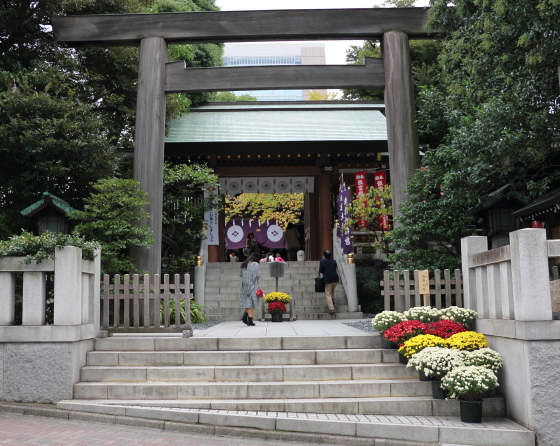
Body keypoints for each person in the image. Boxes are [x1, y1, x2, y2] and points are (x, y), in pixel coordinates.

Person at [239, 253, 261, 326]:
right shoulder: (256, 264)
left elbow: (240, 275)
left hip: (245, 286)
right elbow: (258, 275)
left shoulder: (243, 264)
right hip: (253, 286)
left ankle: (245, 317)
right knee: (251, 303)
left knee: (248, 302)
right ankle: (250, 320)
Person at [319, 249, 339, 314]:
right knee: (332, 290)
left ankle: (331, 308)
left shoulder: (322, 261)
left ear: (324, 255)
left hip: (328, 279)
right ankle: (332, 299)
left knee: (328, 294)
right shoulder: (334, 261)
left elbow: (321, 270)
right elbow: (335, 267)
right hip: (335, 279)